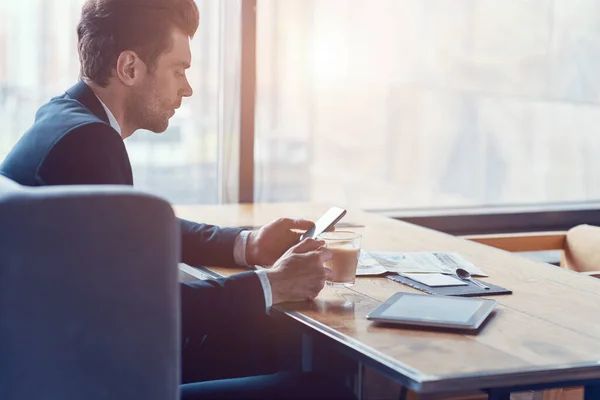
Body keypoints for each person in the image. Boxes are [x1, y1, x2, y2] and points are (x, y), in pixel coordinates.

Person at [0, 0, 355, 398]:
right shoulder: (89, 143)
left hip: (62, 361)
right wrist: (272, 284)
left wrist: (245, 244)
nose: (187, 87)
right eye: (178, 69)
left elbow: (133, 231)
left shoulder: (63, 116)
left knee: (263, 342)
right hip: (93, 380)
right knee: (325, 391)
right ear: (130, 68)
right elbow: (140, 310)